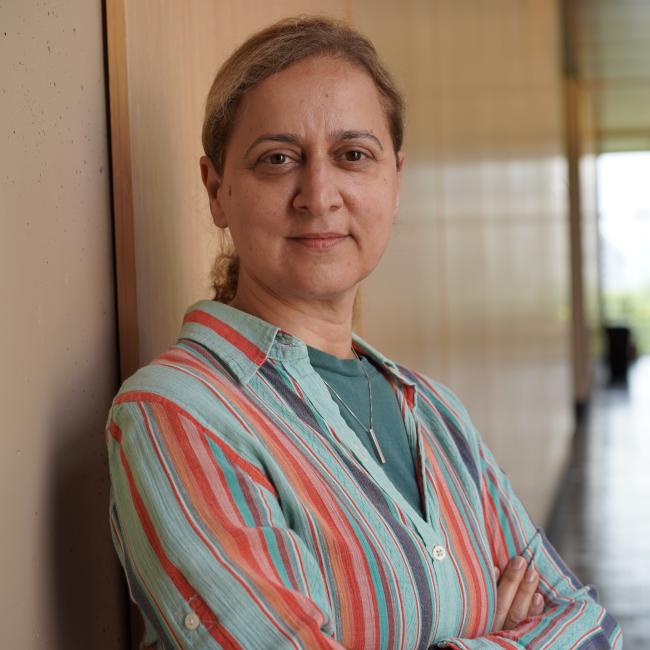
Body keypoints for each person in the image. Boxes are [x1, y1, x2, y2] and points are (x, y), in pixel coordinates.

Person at [105, 15, 622, 649]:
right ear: (217, 190)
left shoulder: (433, 412)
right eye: (278, 159)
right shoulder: (180, 417)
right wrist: (503, 635)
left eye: (353, 155)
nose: (319, 195)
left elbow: (592, 626)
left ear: (394, 179)